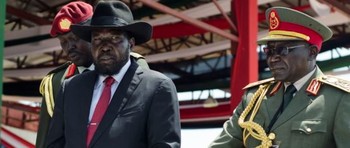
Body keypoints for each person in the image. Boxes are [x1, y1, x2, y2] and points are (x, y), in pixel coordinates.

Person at [45, 1, 181, 148]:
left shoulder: (157, 87)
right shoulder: (70, 88)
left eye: (114, 38)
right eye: (97, 39)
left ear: (131, 43)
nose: (105, 47)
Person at [209, 7, 350, 148]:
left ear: (312, 53)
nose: (272, 59)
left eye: (283, 50)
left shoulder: (339, 98)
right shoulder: (254, 98)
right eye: (269, 51)